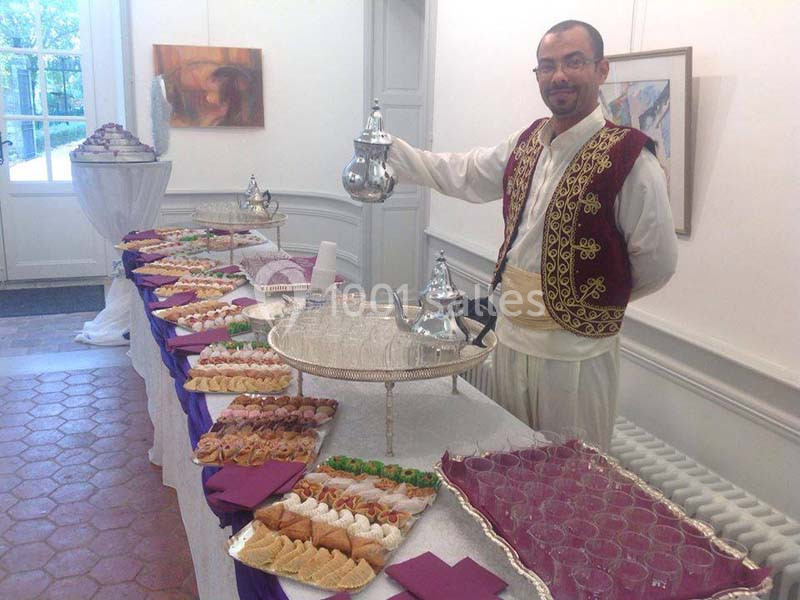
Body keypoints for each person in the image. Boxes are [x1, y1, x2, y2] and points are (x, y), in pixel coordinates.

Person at [387, 20, 679, 450]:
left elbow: (657, 264)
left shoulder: (630, 158)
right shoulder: (526, 144)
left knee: (569, 473)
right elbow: (465, 172)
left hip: (575, 354)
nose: (559, 75)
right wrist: (391, 153)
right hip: (510, 338)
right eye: (547, 66)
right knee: (509, 459)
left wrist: (591, 296)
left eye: (573, 62)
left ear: (601, 70)